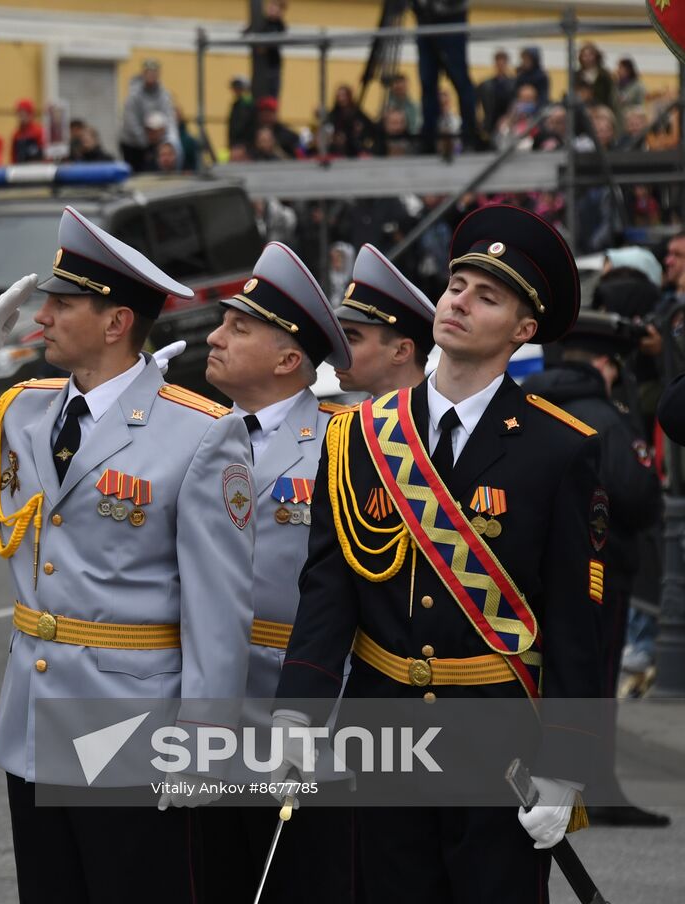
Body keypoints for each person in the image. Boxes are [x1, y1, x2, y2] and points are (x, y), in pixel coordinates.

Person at [0, 206, 257, 902]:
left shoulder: (200, 433)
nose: (42, 318)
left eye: (62, 304)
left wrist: (204, 742)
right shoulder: (24, 411)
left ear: (117, 322)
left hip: (135, 724)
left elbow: (218, 607)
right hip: (34, 715)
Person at [275, 205, 605, 901]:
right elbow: (327, 591)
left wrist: (568, 762)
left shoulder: (559, 448)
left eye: (487, 297)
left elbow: (579, 620)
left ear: (523, 330)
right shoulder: (359, 436)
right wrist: (297, 717)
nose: (459, 302)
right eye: (457, 284)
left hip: (500, 739)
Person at [198, 241, 355, 904]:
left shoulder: (344, 440)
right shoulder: (195, 433)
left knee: (307, 881)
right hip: (209, 709)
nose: (215, 335)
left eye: (239, 328)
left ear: (290, 359)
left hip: (306, 707)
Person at [521, 311, 670, 828]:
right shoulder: (606, 418)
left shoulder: (529, 407)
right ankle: (594, 786)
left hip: (537, 573)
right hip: (601, 573)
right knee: (594, 679)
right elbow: (637, 495)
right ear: (606, 365)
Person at [334, 243, 437, 398]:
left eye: (351, 339)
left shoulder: (440, 421)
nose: (337, 351)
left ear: (401, 351)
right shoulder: (354, 420)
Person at [411, 0, 479, 152]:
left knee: (460, 80)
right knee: (427, 83)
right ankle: (428, 139)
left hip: (451, 18)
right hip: (424, 20)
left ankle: (469, 136)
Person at [119, 59, 179, 172]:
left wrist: (170, 141)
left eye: (154, 73)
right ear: (143, 74)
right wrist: (145, 141)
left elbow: (169, 118)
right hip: (132, 143)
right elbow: (131, 121)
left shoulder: (164, 95)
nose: (151, 76)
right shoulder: (133, 95)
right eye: (148, 73)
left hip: (155, 142)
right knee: (135, 172)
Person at [11, 99, 46, 163]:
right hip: (20, 169)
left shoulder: (39, 131)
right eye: (19, 113)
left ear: (30, 114)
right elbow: (13, 156)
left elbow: (45, 154)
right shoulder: (16, 134)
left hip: (37, 169)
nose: (21, 117)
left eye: (24, 113)